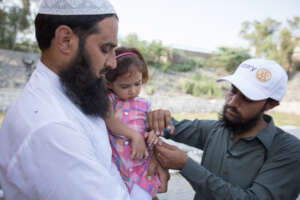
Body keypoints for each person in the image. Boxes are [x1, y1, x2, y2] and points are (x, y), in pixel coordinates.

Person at [0, 0, 168, 199]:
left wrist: (151, 158)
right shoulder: (52, 127)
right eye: (105, 49)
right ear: (65, 40)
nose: (113, 63)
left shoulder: (77, 94)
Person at [148, 58, 300, 199]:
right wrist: (157, 118)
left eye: (247, 98)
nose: (233, 102)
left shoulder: (289, 150)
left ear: (270, 104)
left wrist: (186, 166)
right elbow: (170, 127)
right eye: (233, 91)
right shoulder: (216, 130)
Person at [104, 46, 161, 200]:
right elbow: (110, 120)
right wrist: (134, 136)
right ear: (109, 84)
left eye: (137, 84)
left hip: (141, 171)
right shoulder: (110, 100)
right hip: (118, 172)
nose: (133, 91)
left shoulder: (144, 105)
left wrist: (152, 135)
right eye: (125, 86)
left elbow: (150, 129)